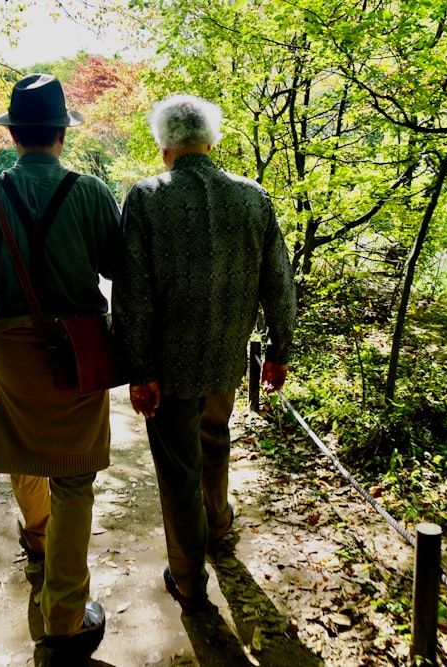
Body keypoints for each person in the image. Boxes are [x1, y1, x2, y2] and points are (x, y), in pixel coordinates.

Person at [112, 94, 296, 612]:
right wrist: (281, 349)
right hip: (225, 359)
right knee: (215, 439)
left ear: (163, 144)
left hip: (167, 367)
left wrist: (139, 368)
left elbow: (132, 294)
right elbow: (278, 282)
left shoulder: (147, 197)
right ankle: (219, 526)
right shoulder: (253, 197)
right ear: (211, 142)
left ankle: (189, 578)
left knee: (177, 468)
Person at [0, 73, 119, 658]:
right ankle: (66, 616)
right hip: (78, 347)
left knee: (26, 450)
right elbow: (116, 267)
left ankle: (36, 537)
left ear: (16, 133)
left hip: (11, 345)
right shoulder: (93, 192)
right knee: (75, 477)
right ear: (61, 132)